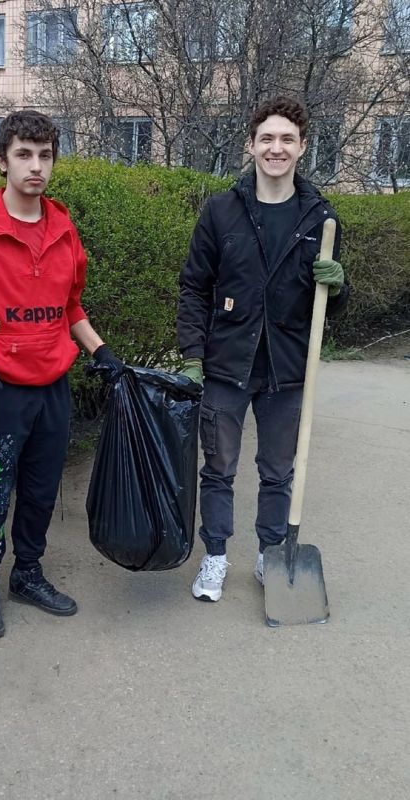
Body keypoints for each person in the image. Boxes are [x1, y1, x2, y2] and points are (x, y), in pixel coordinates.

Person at [0, 110, 123, 638]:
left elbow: (71, 307)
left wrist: (100, 350)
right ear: (2, 161)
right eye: (24, 154)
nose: (36, 166)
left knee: (41, 491)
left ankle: (28, 574)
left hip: (52, 390)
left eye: (45, 156)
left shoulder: (64, 230)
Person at [177, 96, 349, 603]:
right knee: (218, 469)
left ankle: (270, 553)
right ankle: (215, 556)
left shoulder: (321, 219)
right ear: (250, 145)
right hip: (226, 364)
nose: (277, 148)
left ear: (302, 147)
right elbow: (194, 287)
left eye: (287, 139)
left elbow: (329, 308)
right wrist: (192, 355)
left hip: (288, 369)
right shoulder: (221, 211)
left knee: (278, 473)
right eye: (267, 138)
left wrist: (338, 287)